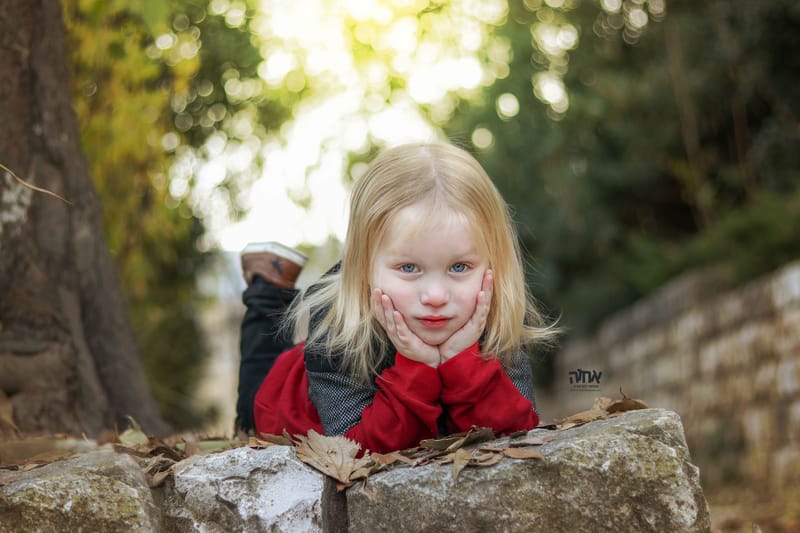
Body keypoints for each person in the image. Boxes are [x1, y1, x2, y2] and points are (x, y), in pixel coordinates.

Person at [235, 141, 556, 453]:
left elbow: (516, 430)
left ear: (493, 262)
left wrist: (464, 361)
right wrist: (417, 367)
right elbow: (353, 449)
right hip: (283, 400)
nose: (435, 296)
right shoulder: (334, 332)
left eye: (459, 267)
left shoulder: (494, 312)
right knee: (255, 395)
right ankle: (268, 288)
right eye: (409, 268)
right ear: (363, 266)